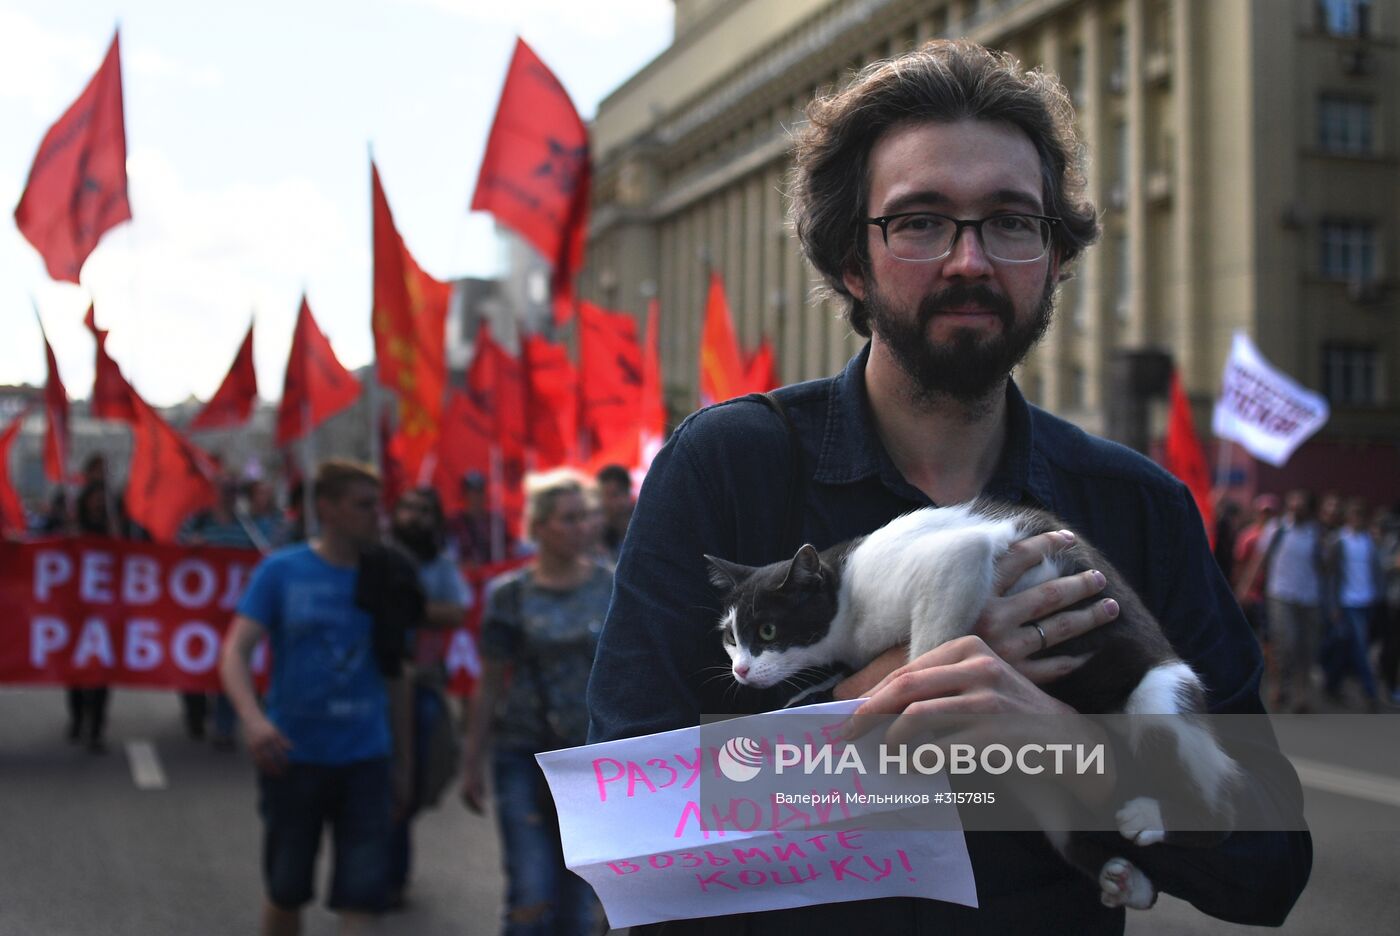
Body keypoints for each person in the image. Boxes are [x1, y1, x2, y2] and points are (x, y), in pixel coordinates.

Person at [587, 39, 1309, 933]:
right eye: (922, 221)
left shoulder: (1138, 506)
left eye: (1011, 221)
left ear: (1053, 258)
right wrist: (892, 687)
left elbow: (1272, 864)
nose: (970, 261)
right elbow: (618, 823)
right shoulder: (726, 467)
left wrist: (1071, 752)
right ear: (854, 260)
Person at [219, 459, 410, 936]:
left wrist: (403, 764)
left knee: (362, 898)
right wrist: (253, 720)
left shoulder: (387, 573)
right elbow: (234, 652)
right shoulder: (282, 571)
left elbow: (398, 673)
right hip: (293, 757)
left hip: (366, 759)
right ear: (327, 508)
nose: (376, 515)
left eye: (377, 504)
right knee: (286, 890)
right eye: (363, 505)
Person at [461, 469, 610, 936]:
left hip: (587, 760)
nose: (582, 527)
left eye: (586, 516)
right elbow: (489, 683)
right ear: (540, 527)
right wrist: (471, 761)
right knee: (530, 893)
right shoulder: (509, 595)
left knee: (581, 903)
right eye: (569, 518)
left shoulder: (612, 587)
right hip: (523, 755)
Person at [384, 487, 473, 908]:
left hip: (423, 686)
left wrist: (407, 605)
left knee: (420, 776)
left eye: (424, 510)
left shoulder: (440, 566)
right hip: (376, 687)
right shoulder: (375, 560)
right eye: (408, 507)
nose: (415, 517)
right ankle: (383, 876)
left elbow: (456, 611)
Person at [1265, 489, 1327, 713]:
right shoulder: (1277, 529)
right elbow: (1260, 560)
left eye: (1301, 506)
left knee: (1306, 648)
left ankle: (1301, 695)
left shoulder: (1315, 533)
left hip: (1309, 597)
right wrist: (1245, 587)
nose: (1297, 510)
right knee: (1286, 643)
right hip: (1281, 595)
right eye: (1293, 505)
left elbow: (1323, 567)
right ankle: (1279, 686)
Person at [67, 479, 117, 753]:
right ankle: (77, 717)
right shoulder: (73, 526)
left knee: (102, 669)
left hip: (105, 610)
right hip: (76, 609)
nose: (98, 502)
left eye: (102, 497)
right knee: (75, 665)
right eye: (94, 497)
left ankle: (96, 727)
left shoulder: (114, 527)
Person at [1322, 497, 1382, 710]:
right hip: (1347, 601)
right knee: (1361, 647)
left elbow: (1375, 570)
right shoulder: (1339, 540)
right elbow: (1330, 576)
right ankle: (1370, 692)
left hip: (1367, 600)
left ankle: (1332, 683)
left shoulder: (1368, 541)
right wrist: (1333, 605)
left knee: (1345, 646)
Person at [594, 464, 634, 565]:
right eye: (601, 496)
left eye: (613, 495)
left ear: (627, 494)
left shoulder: (645, 529)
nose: (606, 503)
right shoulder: (596, 535)